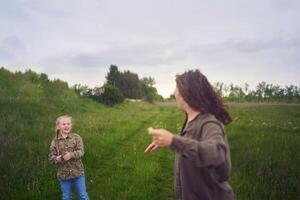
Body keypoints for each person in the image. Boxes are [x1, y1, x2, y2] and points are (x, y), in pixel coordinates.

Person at [145, 69, 235, 200]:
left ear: (185, 93)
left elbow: (217, 153)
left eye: (176, 89)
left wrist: (173, 141)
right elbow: (193, 141)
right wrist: (166, 140)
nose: (174, 93)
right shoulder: (191, 120)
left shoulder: (209, 123)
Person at [49, 115, 89, 200]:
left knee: (83, 195)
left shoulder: (76, 137)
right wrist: (57, 159)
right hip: (64, 175)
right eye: (63, 124)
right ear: (58, 126)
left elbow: (81, 152)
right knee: (66, 197)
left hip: (78, 173)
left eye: (68, 124)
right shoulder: (55, 141)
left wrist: (71, 155)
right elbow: (51, 157)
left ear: (71, 125)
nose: (66, 126)